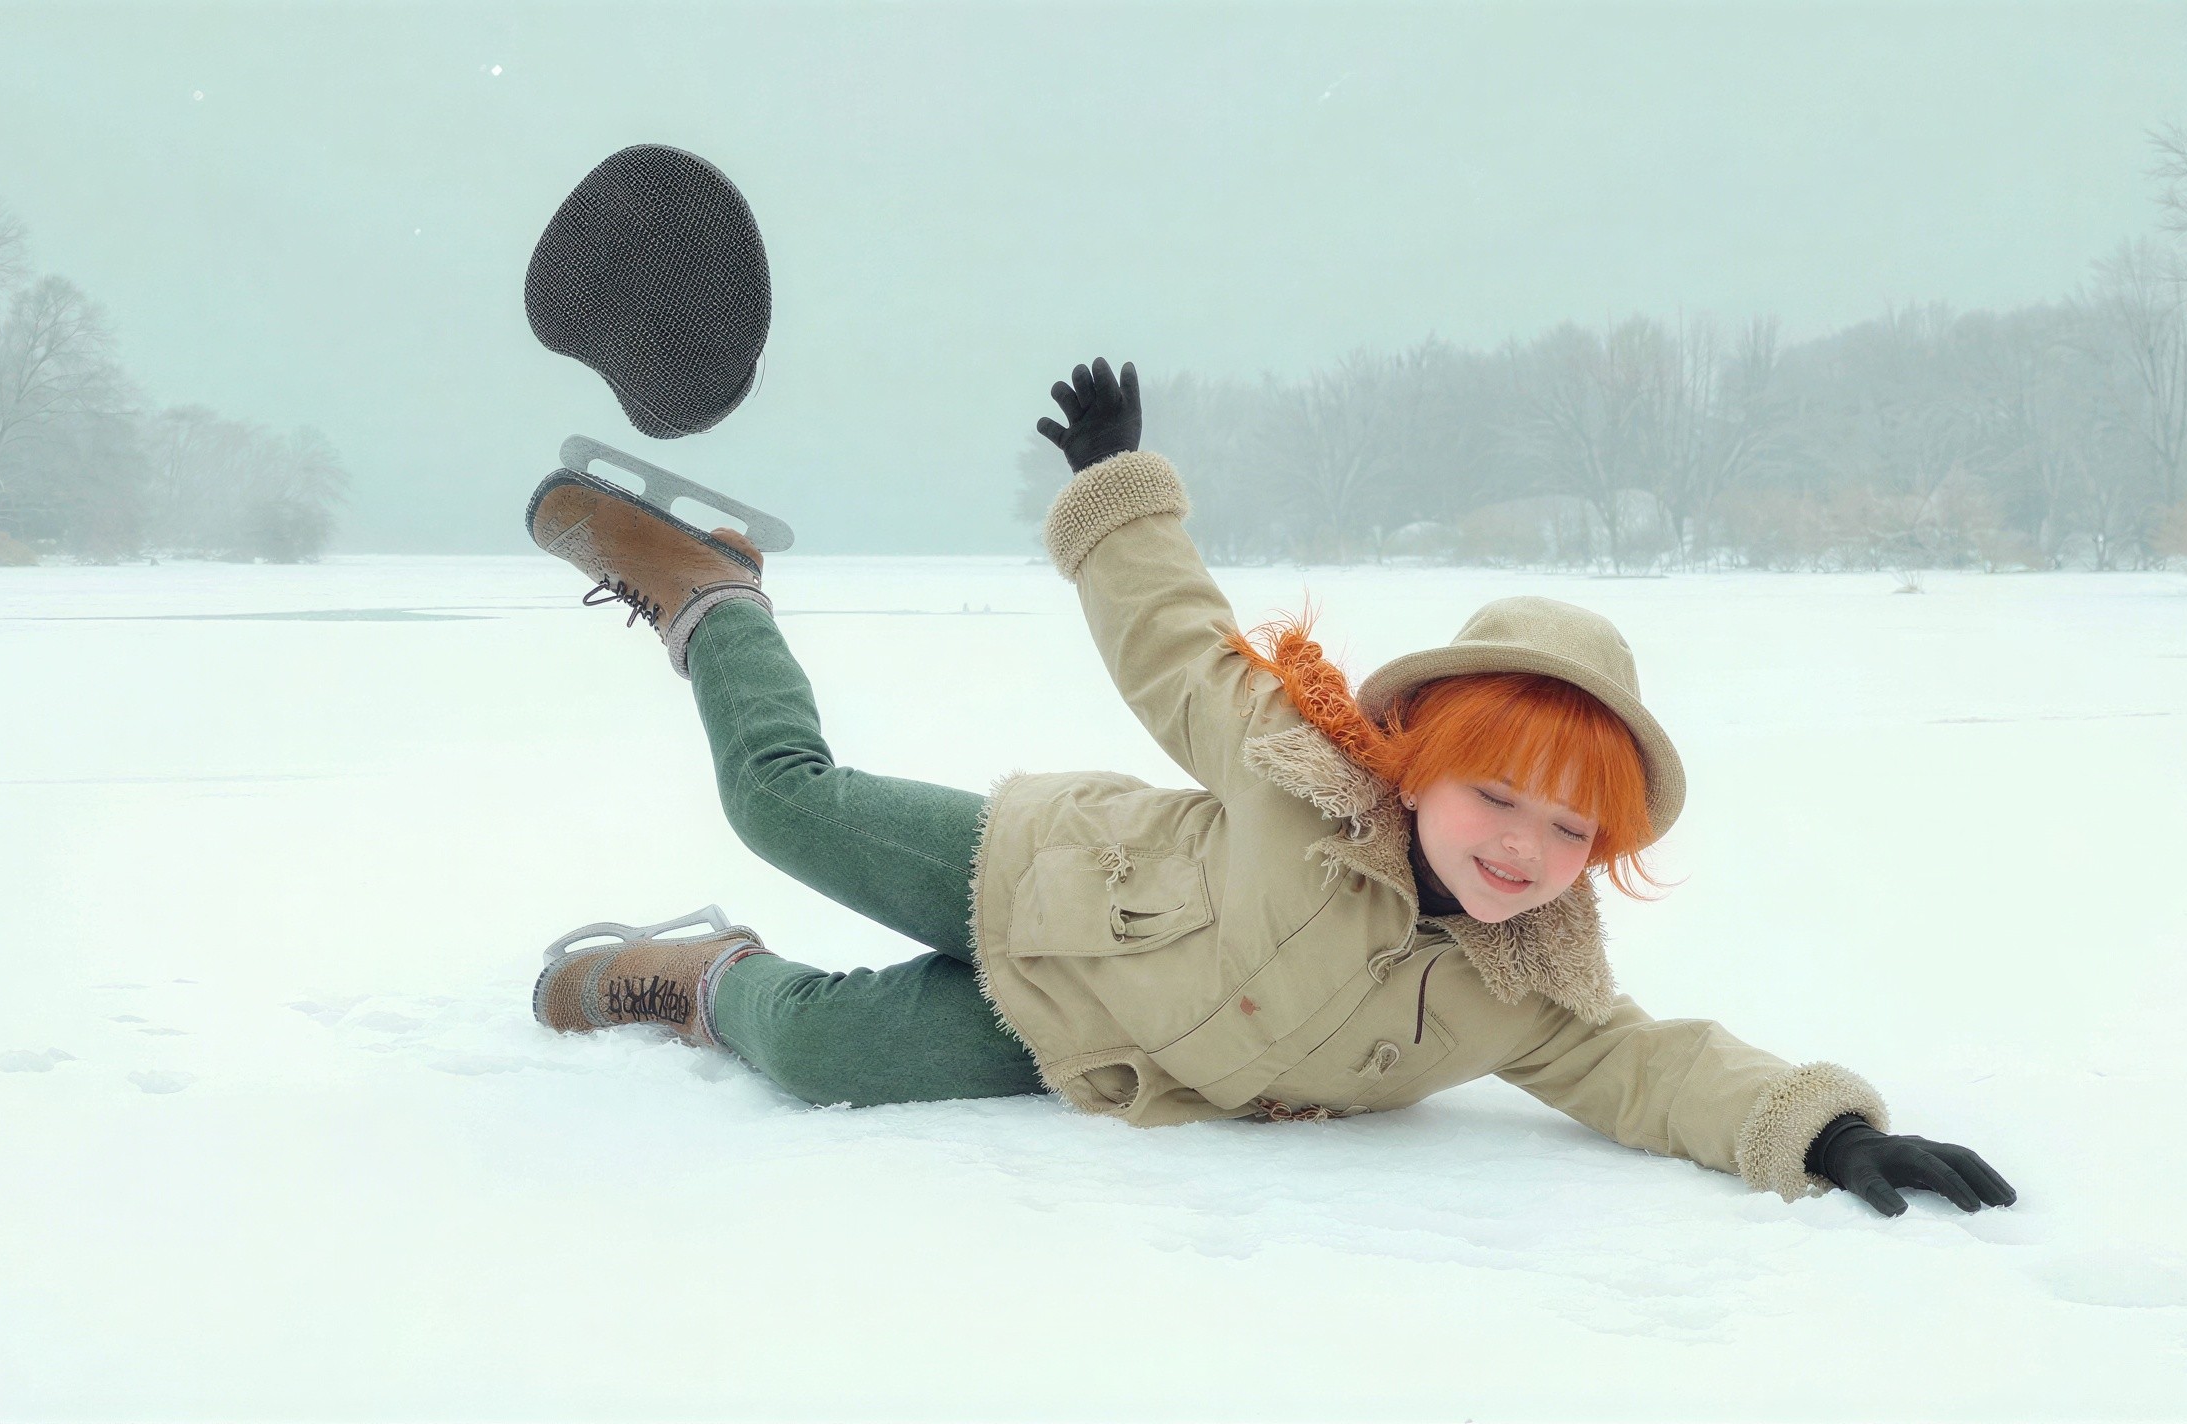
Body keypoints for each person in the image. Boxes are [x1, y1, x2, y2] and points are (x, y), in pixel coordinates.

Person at [520, 357, 2016, 1217]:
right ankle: (716, 598)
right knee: (779, 801)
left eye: (1573, 828)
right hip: (1030, 869)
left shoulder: (1527, 986)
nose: (1526, 848)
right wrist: (1115, 485)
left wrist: (1824, 1133)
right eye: (1501, 795)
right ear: (1422, 759)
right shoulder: (1300, 774)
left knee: (822, 1053)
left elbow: (1658, 1068)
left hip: (1078, 1040)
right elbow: (1174, 644)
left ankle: (695, 976)